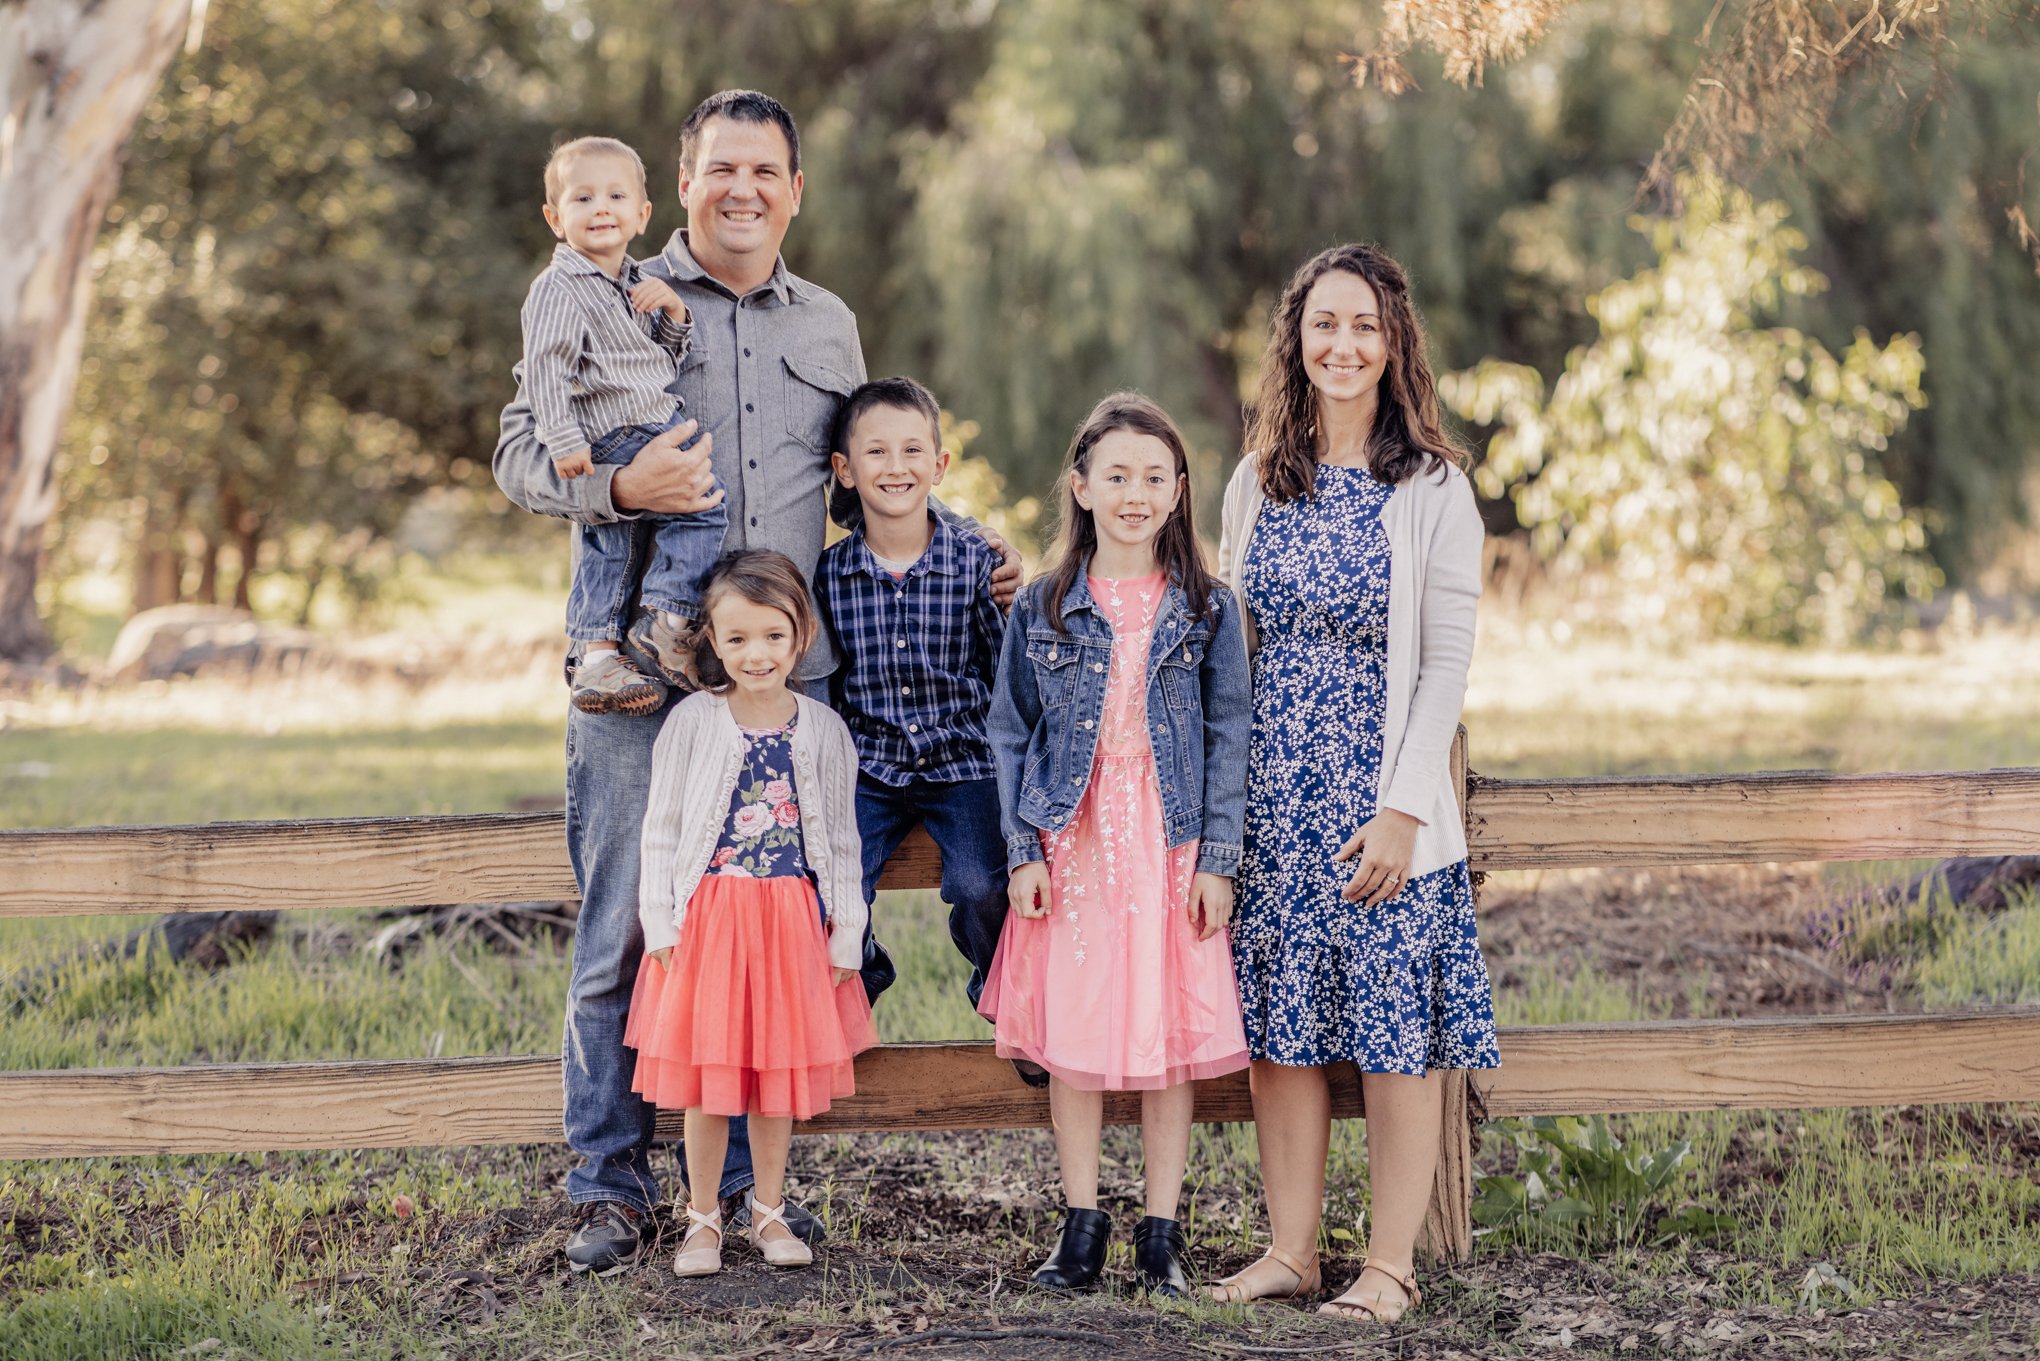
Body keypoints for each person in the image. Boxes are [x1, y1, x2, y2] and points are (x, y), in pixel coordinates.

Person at [493, 88, 1019, 1277]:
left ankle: (740, 1190)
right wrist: (622, 493)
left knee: (771, 935)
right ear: (682, 183)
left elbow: (875, 469)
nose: (742, 189)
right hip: (641, 673)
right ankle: (612, 1186)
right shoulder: (603, 287)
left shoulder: (828, 324)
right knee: (629, 928)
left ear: (795, 189)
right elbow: (519, 450)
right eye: (719, 168)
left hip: (792, 681)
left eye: (765, 171)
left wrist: (976, 545)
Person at [1209, 244, 1499, 1321]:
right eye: (1323, 324)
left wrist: (1405, 809)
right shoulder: (1253, 481)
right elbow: (1231, 645)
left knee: (1393, 1034)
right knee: (1281, 1032)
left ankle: (1388, 1265)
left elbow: (1444, 665)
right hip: (1276, 795)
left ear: (1393, 346)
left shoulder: (1431, 489)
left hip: (1382, 806)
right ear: (1295, 339)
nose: (1342, 344)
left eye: (1363, 327)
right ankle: (1290, 1249)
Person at [979, 392, 1253, 1297]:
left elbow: (1229, 730)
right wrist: (1022, 849)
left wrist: (1218, 857)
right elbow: (1011, 732)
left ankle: (1163, 1232)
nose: (1135, 492)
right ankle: (1082, 1224)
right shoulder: (1047, 606)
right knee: (1078, 1029)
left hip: (1169, 845)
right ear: (1081, 486)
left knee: (1168, 1033)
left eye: (1154, 475)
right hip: (1079, 839)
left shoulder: (1209, 608)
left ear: (1179, 492)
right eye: (1117, 474)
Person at [625, 550, 877, 1277]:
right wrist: (662, 922)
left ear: (800, 635)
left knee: (775, 1076)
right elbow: (663, 827)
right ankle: (702, 1217)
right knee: (709, 1079)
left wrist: (848, 930)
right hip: (712, 920)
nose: (755, 653)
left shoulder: (823, 728)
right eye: (736, 639)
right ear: (713, 640)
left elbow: (840, 838)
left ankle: (769, 1209)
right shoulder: (694, 722)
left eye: (772, 635)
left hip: (791, 922)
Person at [814, 377, 1012, 1022]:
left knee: (984, 884)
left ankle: (998, 988)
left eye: (912, 451)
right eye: (876, 453)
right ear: (844, 470)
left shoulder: (974, 562)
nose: (895, 467)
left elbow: (1002, 665)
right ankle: (863, 974)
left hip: (964, 761)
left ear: (938, 464)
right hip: (869, 764)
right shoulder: (830, 576)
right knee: (831, 886)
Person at [519, 136, 726, 715]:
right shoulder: (559, 288)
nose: (601, 208)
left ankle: (597, 654)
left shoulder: (633, 284)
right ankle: (668, 618)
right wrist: (562, 440)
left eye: (615, 195)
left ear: (643, 213)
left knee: (612, 541)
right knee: (704, 504)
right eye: (582, 199)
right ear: (556, 219)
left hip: (637, 421)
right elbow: (545, 369)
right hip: (620, 429)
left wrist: (675, 314)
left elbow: (661, 363)